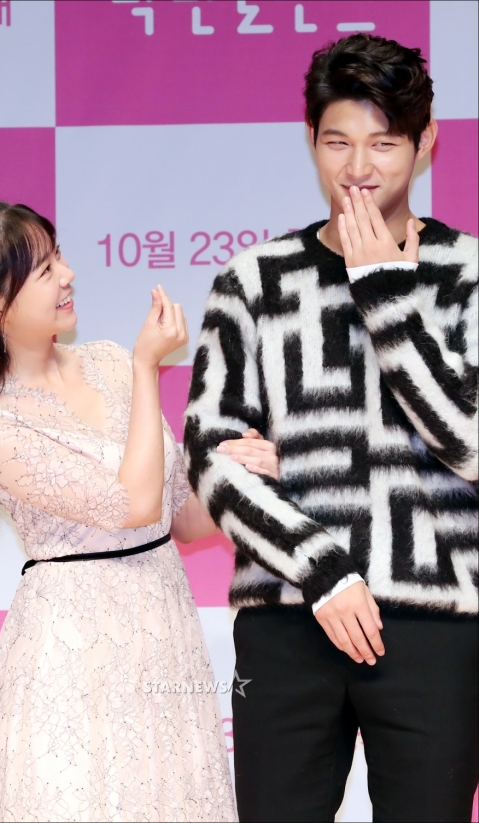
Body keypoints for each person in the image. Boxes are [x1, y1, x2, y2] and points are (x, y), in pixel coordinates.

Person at [184, 33, 478, 823]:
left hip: (434, 623)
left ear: (425, 143)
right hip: (288, 612)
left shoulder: (468, 276)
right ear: (310, 140)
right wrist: (324, 569)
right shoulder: (253, 282)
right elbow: (213, 461)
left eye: (383, 143)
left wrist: (383, 291)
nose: (358, 167)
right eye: (337, 141)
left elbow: (471, 443)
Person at [0, 201, 280, 823]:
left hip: (162, 624)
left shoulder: (109, 362)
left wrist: (233, 474)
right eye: (43, 271)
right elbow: (132, 506)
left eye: (58, 256)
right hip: (73, 644)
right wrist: (148, 366)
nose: (67, 276)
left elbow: (178, 517)